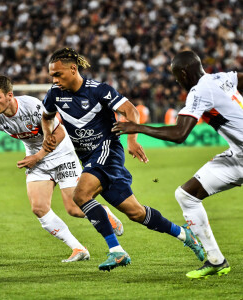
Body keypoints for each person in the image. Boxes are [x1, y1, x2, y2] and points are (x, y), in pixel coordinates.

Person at [41, 47, 204, 272]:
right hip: (89, 158)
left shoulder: (99, 90)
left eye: (58, 74)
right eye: (51, 75)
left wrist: (132, 140)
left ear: (73, 69)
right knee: (136, 213)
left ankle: (116, 251)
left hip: (108, 151)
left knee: (80, 195)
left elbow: (131, 111)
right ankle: (186, 235)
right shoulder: (54, 94)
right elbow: (46, 117)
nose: (54, 79)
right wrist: (48, 134)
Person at [112, 50, 243, 278]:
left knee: (186, 196)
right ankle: (215, 260)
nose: (176, 81)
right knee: (186, 195)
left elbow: (180, 133)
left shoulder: (199, 91)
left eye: (176, 76)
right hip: (238, 155)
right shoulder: (221, 77)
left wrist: (138, 128)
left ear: (184, 73)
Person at [0, 75, 123, 263]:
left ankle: (104, 212)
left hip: (61, 155)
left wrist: (36, 157)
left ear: (10, 95)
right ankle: (78, 248)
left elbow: (60, 132)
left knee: (74, 208)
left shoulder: (32, 106)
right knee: (39, 208)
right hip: (37, 160)